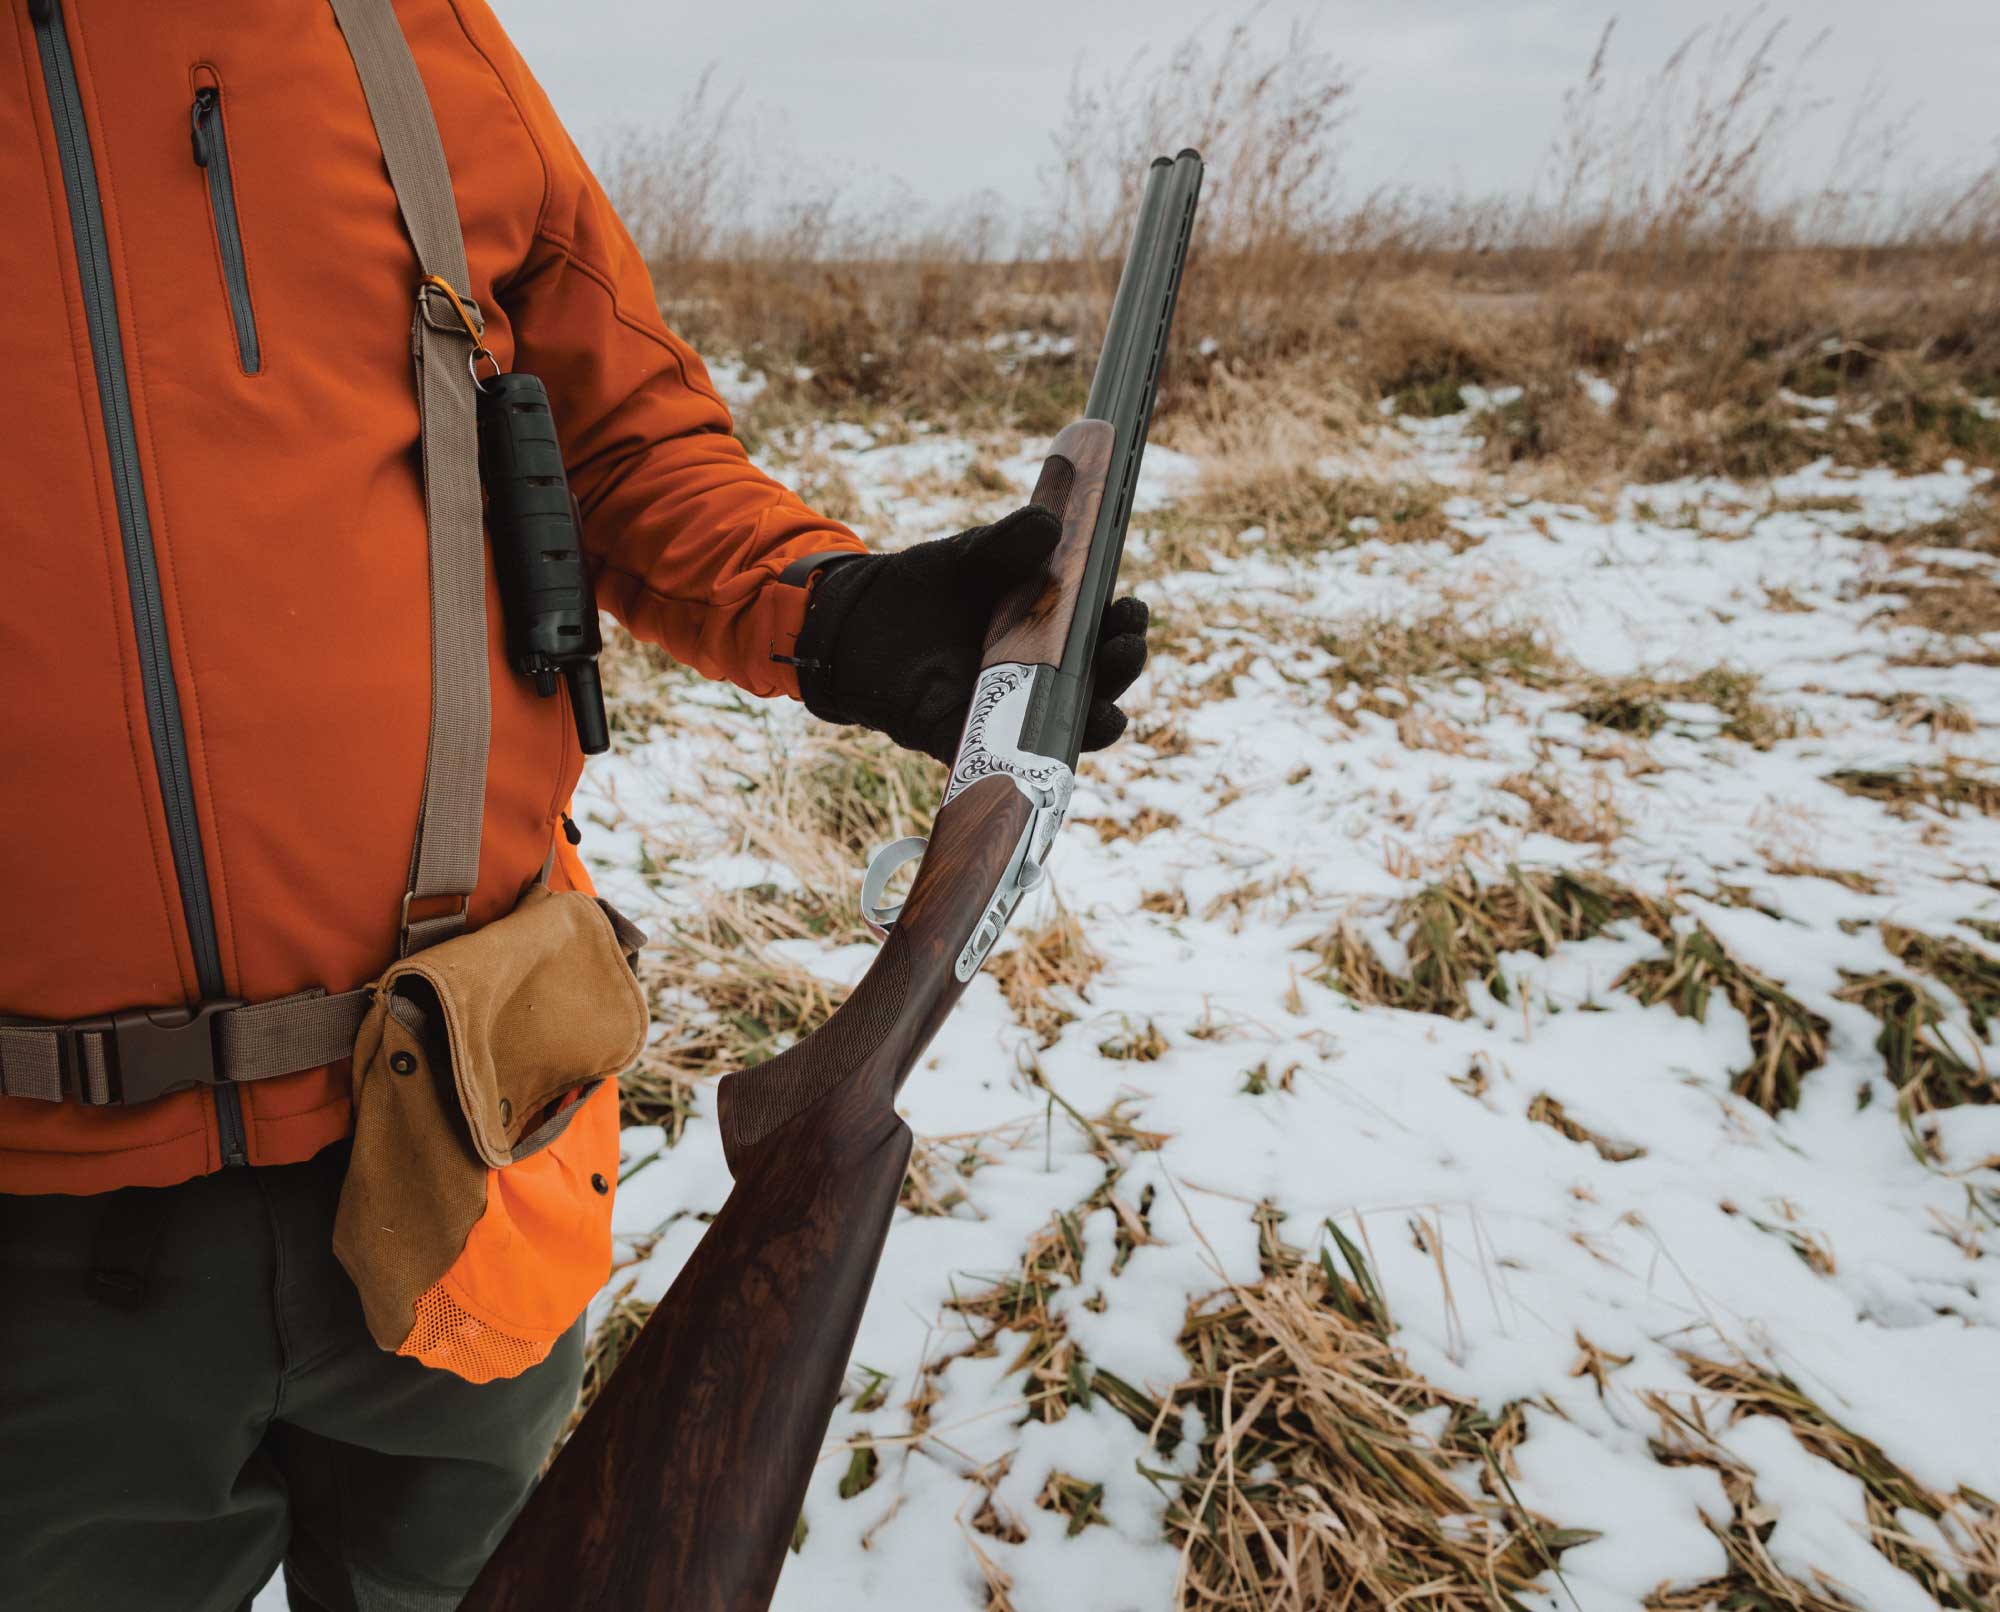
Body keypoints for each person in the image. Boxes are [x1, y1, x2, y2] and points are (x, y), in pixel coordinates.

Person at [0, 2, 1148, 1608]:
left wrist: (836, 613)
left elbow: (619, 439)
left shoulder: (405, 30)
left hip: (470, 1141)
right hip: (42, 1250)